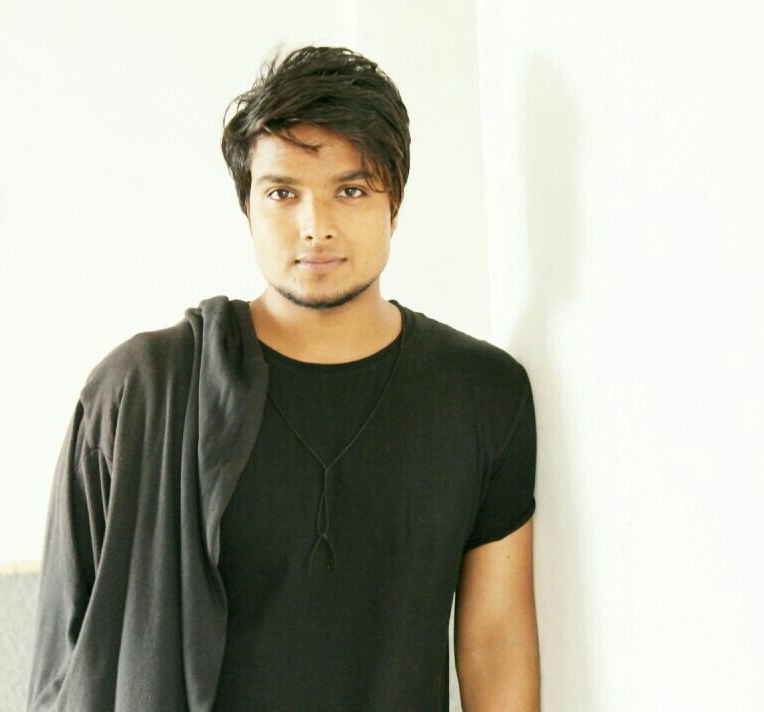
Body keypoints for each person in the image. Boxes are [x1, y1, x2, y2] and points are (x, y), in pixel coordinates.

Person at [27, 45, 539, 712]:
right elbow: (65, 653)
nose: (315, 227)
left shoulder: (482, 393)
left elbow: (495, 642)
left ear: (395, 203)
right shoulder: (143, 392)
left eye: (351, 190)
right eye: (282, 193)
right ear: (248, 208)